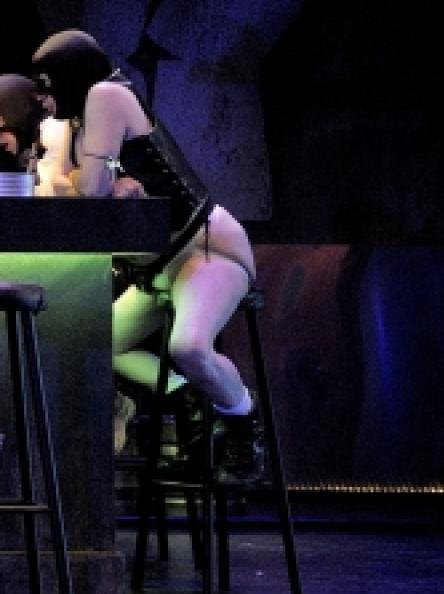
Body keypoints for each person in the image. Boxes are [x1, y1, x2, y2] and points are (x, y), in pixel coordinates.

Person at [29, 29, 266, 486]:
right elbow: (70, 187)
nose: (40, 97)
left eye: (45, 84)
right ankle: (191, 400)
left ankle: (242, 421)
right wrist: (81, 177)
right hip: (156, 267)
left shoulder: (106, 94)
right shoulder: (77, 119)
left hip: (204, 248)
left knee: (189, 347)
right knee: (101, 342)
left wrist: (76, 178)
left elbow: (88, 189)